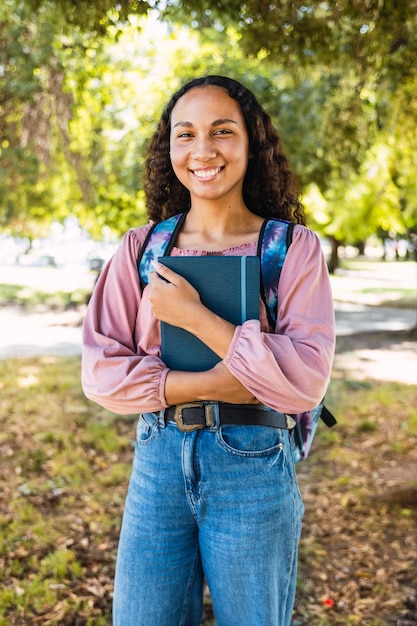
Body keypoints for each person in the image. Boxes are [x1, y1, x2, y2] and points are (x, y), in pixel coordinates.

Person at [81, 75, 335, 626]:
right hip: (158, 461)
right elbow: (100, 371)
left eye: (223, 131)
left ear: (251, 144)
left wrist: (196, 318)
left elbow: (306, 379)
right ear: (168, 147)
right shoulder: (141, 249)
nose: (203, 150)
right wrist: (214, 383)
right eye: (185, 134)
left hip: (253, 465)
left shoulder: (293, 250)